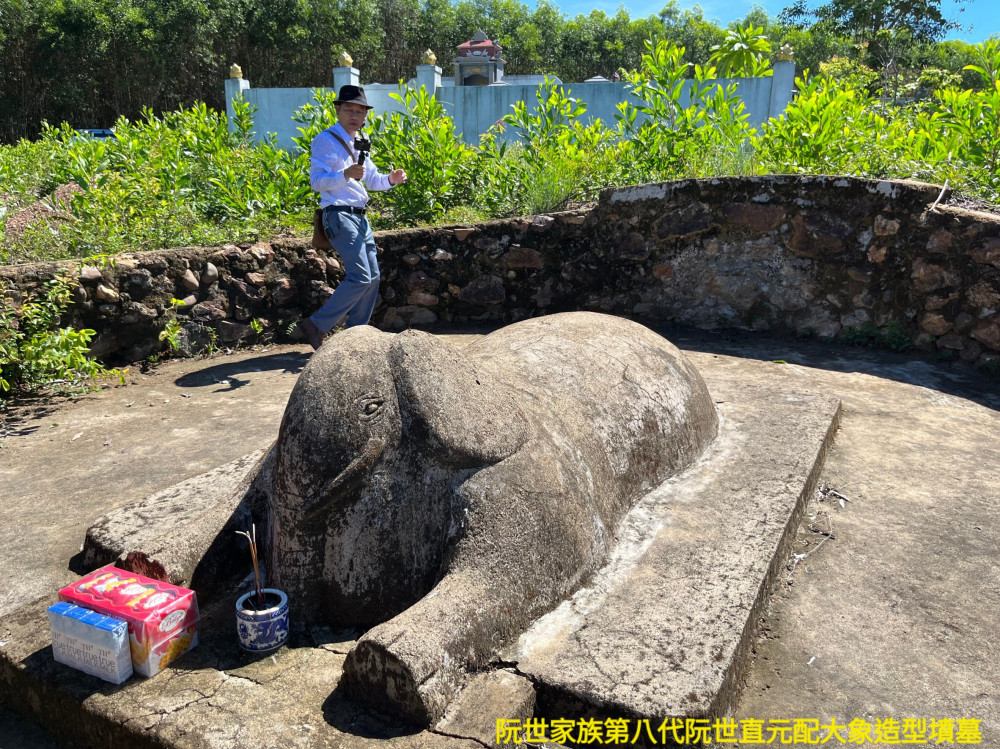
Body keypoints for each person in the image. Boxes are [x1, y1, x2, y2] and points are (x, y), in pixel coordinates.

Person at [298, 84, 407, 350]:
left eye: (361, 111)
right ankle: (316, 325)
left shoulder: (361, 141)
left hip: (360, 217)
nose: (355, 116)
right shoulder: (325, 140)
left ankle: (353, 338)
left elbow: (371, 179)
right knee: (360, 276)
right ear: (338, 110)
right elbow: (316, 182)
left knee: (373, 278)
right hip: (338, 214)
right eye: (349, 109)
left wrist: (390, 180)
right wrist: (344, 174)